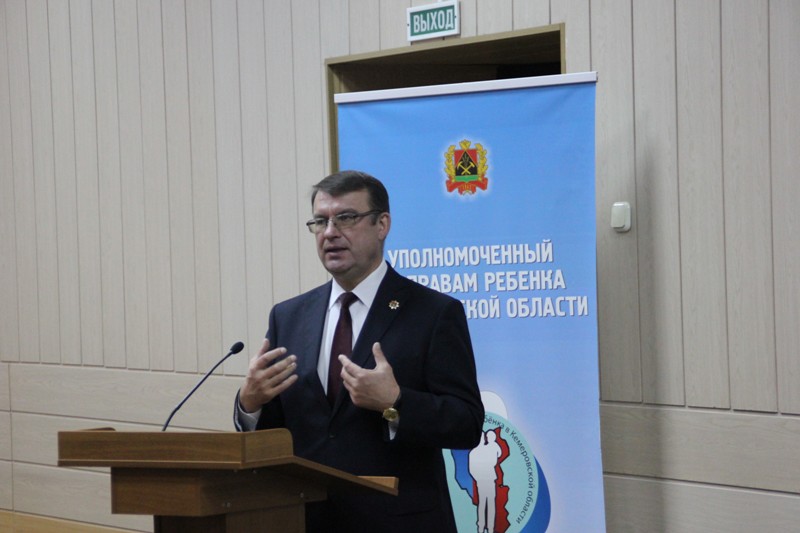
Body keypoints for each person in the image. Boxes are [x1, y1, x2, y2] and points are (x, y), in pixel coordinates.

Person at [234, 170, 484, 532]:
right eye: (320, 221)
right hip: (306, 520)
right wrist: (250, 403)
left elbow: (467, 424)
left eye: (346, 218)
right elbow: (281, 428)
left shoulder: (433, 313)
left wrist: (395, 402)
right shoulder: (288, 316)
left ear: (382, 225)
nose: (330, 232)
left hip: (399, 522)